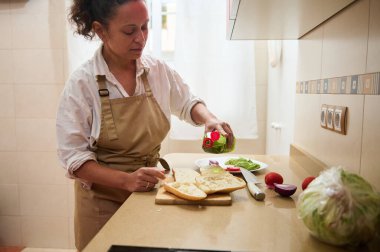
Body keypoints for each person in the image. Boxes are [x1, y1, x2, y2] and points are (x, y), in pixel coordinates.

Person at [56, 0, 234, 250]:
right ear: (101, 30)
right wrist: (126, 180)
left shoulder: (156, 70)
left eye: (145, 27)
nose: (141, 38)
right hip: (102, 200)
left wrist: (209, 119)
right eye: (129, 31)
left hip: (151, 190)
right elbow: (74, 159)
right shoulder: (82, 84)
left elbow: (187, 102)